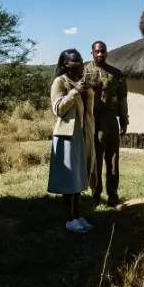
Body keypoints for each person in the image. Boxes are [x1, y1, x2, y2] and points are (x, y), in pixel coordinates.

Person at [49, 48, 97, 233]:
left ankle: (78, 215)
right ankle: (70, 219)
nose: (79, 64)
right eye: (74, 61)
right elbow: (58, 109)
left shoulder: (82, 82)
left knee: (79, 175)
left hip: (83, 131)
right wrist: (74, 92)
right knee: (69, 178)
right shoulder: (60, 82)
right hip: (67, 135)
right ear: (65, 64)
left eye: (80, 60)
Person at [83, 41, 128, 207]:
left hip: (111, 120)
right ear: (92, 53)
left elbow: (122, 98)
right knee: (96, 160)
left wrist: (124, 118)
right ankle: (95, 194)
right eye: (97, 51)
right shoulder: (85, 73)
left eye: (102, 51)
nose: (100, 54)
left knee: (113, 159)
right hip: (94, 120)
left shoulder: (116, 74)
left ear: (107, 52)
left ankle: (113, 196)